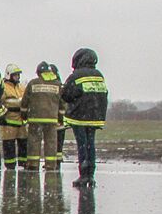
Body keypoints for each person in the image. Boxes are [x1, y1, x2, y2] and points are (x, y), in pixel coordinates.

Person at [62, 47, 108, 188]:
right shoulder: (99, 75)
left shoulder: (76, 76)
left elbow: (66, 94)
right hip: (95, 116)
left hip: (80, 117)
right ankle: (90, 175)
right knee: (90, 144)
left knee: (82, 145)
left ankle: (83, 174)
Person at [21, 62, 65, 171]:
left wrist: (24, 115)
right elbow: (62, 104)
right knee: (51, 142)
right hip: (51, 119)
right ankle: (51, 165)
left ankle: (33, 164)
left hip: (35, 119)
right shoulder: (57, 84)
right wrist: (60, 118)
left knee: (34, 141)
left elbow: (24, 102)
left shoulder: (33, 83)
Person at [0, 64, 27, 170]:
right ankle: (10, 166)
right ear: (9, 75)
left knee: (23, 144)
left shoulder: (21, 88)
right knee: (9, 146)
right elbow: (0, 103)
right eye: (16, 75)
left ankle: (23, 164)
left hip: (21, 122)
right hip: (9, 122)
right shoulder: (4, 88)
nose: (18, 77)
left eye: (18, 75)